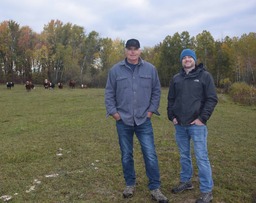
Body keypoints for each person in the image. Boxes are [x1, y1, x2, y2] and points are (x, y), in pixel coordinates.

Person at [105, 39, 169, 203]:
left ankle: (155, 188)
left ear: (140, 51)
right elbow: (109, 93)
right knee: (126, 155)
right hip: (123, 121)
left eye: (135, 49)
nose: (132, 52)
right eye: (129, 49)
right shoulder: (115, 70)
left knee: (150, 154)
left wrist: (150, 111)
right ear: (125, 51)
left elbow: (156, 91)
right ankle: (130, 184)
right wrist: (114, 113)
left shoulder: (150, 69)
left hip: (143, 120)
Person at [167, 49, 218, 203]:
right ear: (181, 61)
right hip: (180, 125)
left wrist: (202, 119)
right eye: (184, 57)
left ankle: (206, 190)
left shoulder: (205, 76)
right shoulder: (176, 78)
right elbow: (171, 99)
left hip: (197, 125)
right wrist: (172, 116)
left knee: (201, 157)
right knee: (184, 155)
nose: (187, 59)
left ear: (195, 60)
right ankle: (186, 181)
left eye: (190, 57)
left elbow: (212, 99)